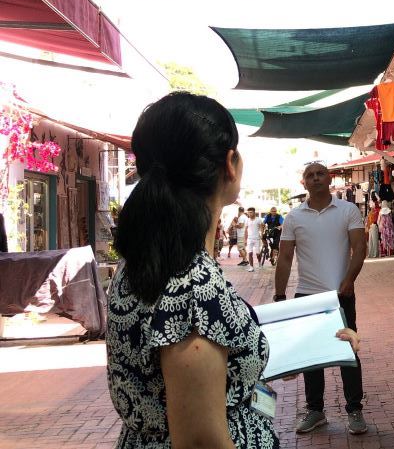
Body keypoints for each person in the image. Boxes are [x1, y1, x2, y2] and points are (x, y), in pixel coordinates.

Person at [105, 92, 359, 449]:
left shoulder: (141, 263)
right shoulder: (192, 282)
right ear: (230, 164)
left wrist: (314, 341)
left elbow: (212, 362)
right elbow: (201, 440)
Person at [274, 162, 370, 436]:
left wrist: (349, 281)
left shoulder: (348, 210)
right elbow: (285, 257)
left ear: (329, 178)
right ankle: (315, 411)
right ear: (303, 182)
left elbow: (359, 248)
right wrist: (280, 295)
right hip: (307, 295)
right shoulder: (293, 217)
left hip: (341, 294)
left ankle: (354, 410)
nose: (315, 178)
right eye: (310, 175)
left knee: (348, 352)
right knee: (311, 355)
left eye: (320, 174)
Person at [244, 207, 260, 271]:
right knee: (250, 253)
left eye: (251, 212)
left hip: (257, 239)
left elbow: (262, 226)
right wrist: (245, 239)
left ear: (254, 212)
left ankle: (259, 262)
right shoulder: (247, 220)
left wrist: (261, 234)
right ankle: (251, 267)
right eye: (248, 213)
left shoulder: (258, 220)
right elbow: (245, 230)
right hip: (249, 239)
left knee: (258, 253)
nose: (249, 214)